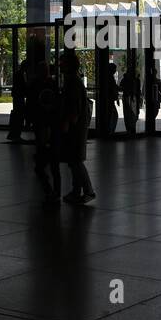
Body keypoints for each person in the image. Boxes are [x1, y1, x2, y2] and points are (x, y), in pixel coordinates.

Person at [59, 49, 95, 204]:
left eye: (62, 63)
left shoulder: (72, 82)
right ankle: (76, 191)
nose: (59, 65)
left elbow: (74, 107)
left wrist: (67, 123)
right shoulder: (73, 80)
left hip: (75, 129)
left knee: (75, 161)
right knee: (74, 161)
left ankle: (87, 191)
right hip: (76, 127)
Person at [29, 61, 61, 203]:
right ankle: (55, 191)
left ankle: (49, 190)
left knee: (42, 153)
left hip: (41, 121)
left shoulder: (35, 84)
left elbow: (30, 102)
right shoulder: (52, 84)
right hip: (50, 122)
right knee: (54, 164)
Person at [6, 57, 28, 143]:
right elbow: (21, 87)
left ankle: (14, 135)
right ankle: (16, 135)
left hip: (17, 97)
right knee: (19, 116)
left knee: (17, 116)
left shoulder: (18, 74)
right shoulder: (21, 75)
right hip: (19, 97)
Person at [119, 62, 141, 136]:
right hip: (130, 97)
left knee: (129, 113)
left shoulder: (132, 79)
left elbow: (121, 87)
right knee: (131, 113)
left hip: (130, 97)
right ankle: (131, 128)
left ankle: (130, 128)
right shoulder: (135, 79)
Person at [144, 61, 161, 133]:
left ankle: (151, 121)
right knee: (154, 111)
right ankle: (151, 122)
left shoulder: (156, 81)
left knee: (155, 111)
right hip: (153, 99)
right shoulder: (150, 81)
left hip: (155, 99)